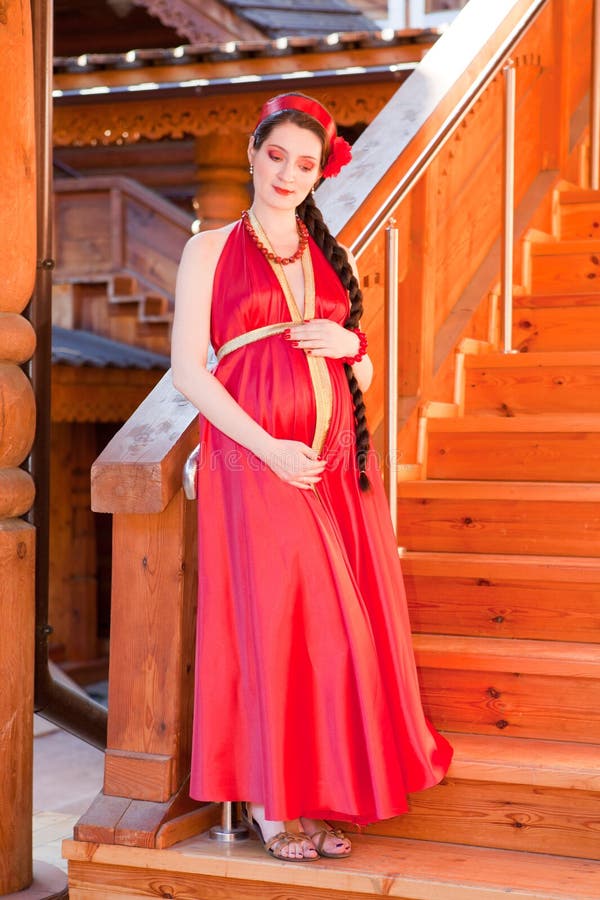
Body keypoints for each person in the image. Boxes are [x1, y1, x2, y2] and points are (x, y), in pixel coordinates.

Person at [171, 92, 453, 863]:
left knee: (334, 630)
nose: (288, 173)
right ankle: (271, 802)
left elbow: (362, 365)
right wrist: (264, 446)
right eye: (275, 156)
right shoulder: (209, 249)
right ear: (253, 154)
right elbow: (189, 374)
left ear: (318, 173)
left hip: (336, 462)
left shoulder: (334, 253)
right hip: (254, 457)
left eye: (305, 163)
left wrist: (346, 343)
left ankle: (318, 792)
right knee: (281, 619)